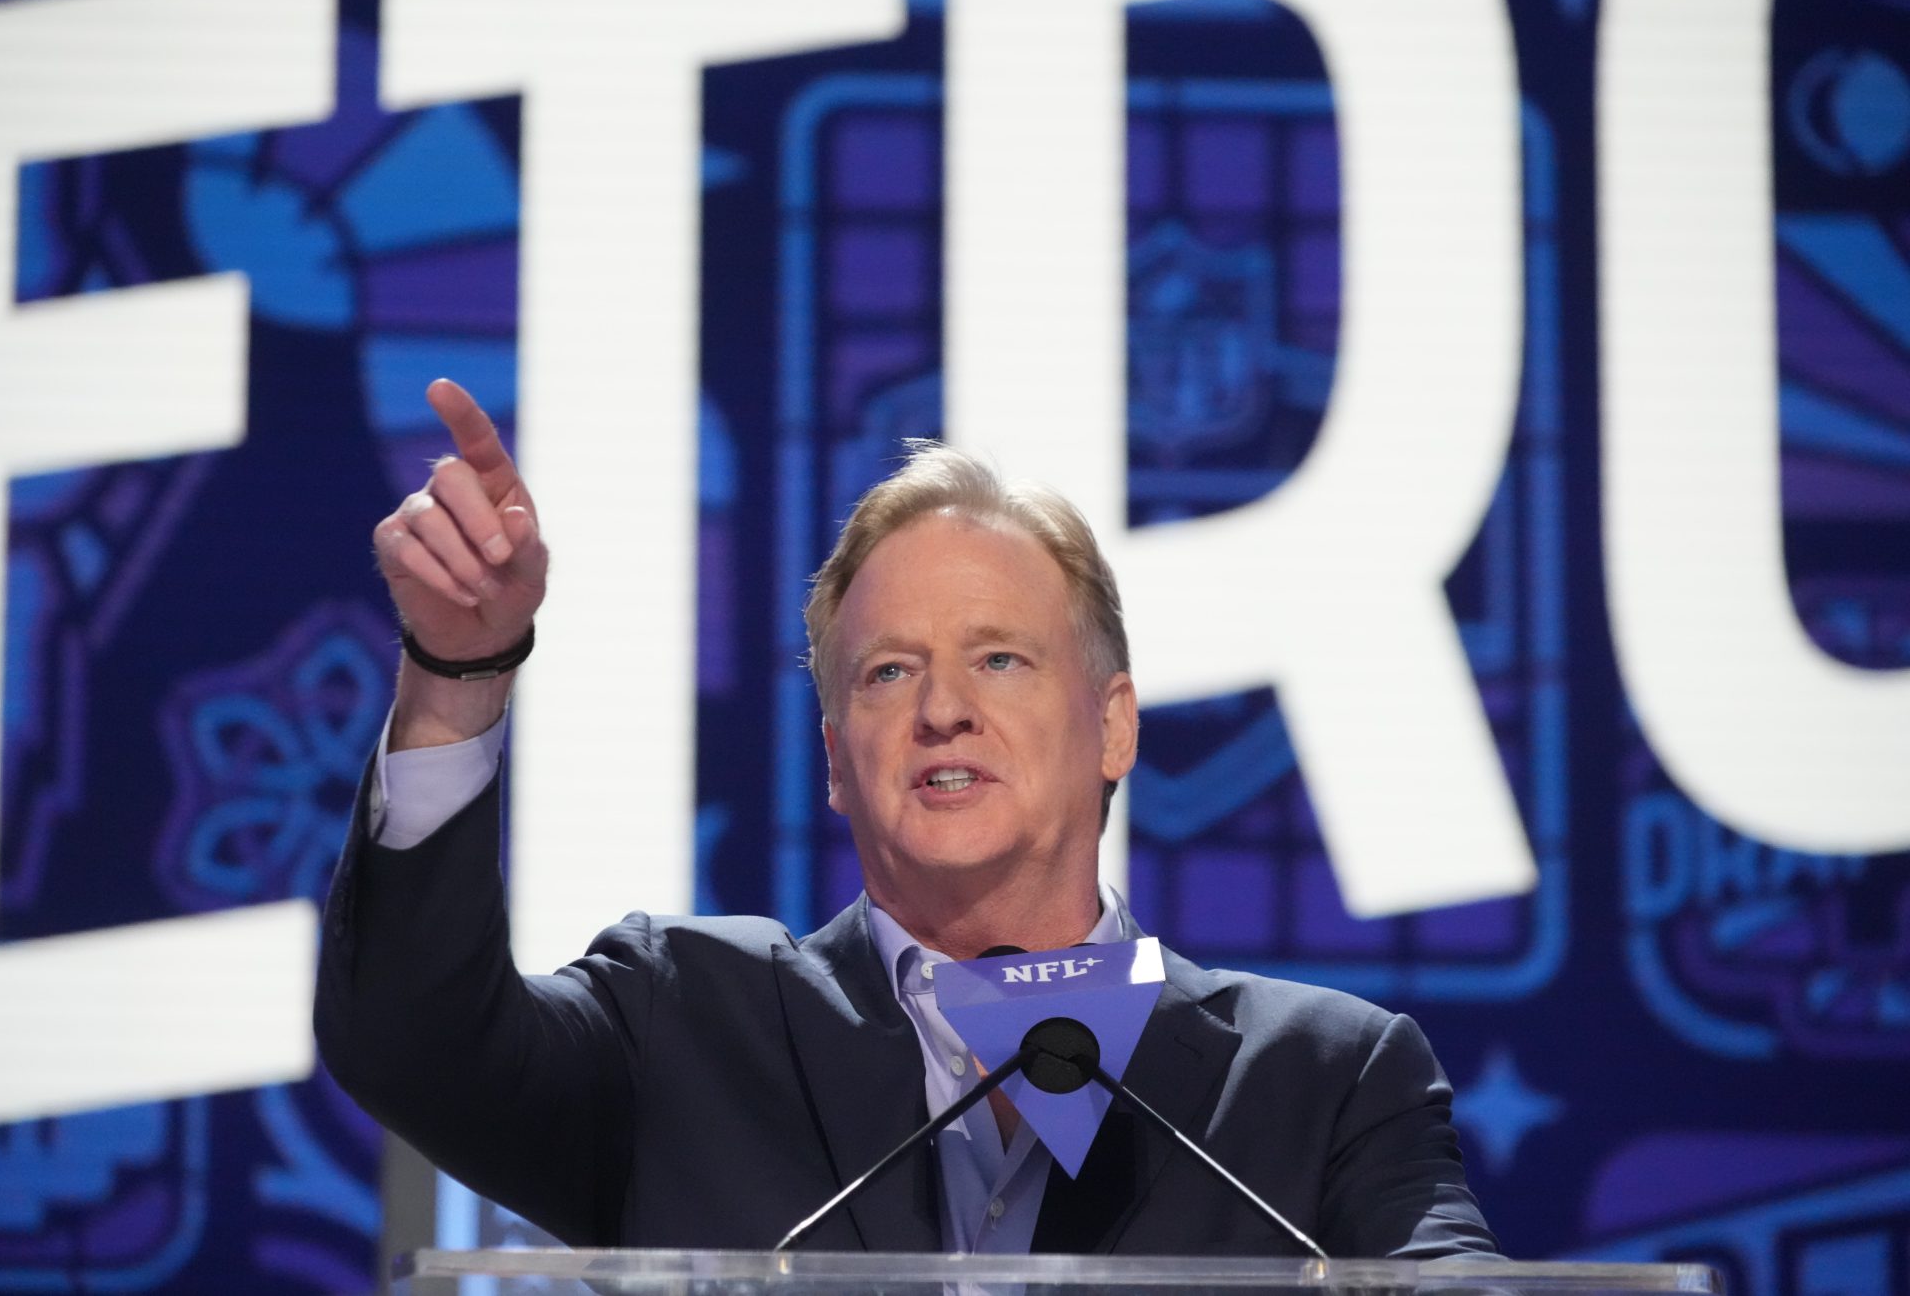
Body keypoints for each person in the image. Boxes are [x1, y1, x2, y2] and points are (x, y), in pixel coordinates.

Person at [314, 379, 1499, 1258]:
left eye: (998, 660)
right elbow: (412, 1046)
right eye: (887, 673)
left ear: (1114, 727)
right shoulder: (677, 1027)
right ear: (836, 761)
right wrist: (455, 671)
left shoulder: (1322, 1083)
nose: (941, 710)